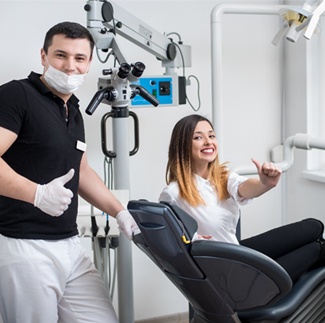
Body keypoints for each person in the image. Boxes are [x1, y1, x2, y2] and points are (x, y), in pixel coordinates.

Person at [0, 22, 139, 323]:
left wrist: (119, 212)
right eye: (61, 55)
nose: (70, 66)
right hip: (25, 245)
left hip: (69, 243)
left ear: (89, 63)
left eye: (79, 58)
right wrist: (36, 194)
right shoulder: (16, 95)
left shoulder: (72, 109)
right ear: (43, 55)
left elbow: (82, 170)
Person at [159, 114, 325, 283]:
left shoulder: (222, 178)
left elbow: (246, 188)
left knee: (314, 226)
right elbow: (164, 239)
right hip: (230, 276)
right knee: (317, 248)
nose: (208, 142)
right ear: (182, 146)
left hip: (235, 254)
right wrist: (192, 241)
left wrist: (265, 183)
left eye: (211, 135)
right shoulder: (173, 193)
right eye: (198, 137)